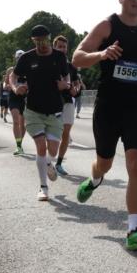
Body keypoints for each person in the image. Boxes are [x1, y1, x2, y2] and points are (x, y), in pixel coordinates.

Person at [72, 0, 137, 251]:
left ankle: (133, 231)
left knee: (135, 164)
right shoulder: (107, 26)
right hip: (109, 106)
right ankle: (95, 179)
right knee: (105, 163)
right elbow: (77, 57)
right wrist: (102, 53)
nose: (135, 1)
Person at [12, 25, 71, 201]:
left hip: (55, 110)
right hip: (33, 110)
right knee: (40, 147)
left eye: (44, 40)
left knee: (52, 150)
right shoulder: (27, 58)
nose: (41, 44)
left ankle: (48, 162)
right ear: (33, 41)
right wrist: (15, 87)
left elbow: (66, 76)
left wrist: (65, 84)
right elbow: (13, 76)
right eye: (37, 41)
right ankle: (43, 187)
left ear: (49, 38)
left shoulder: (59, 56)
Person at [52, 35, 82, 175]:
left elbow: (77, 84)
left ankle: (59, 163)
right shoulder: (49, 64)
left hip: (68, 101)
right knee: (54, 134)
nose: (62, 49)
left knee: (65, 133)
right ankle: (48, 159)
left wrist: (75, 89)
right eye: (60, 46)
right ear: (54, 47)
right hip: (52, 102)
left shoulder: (70, 66)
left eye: (64, 47)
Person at [6, 50, 28, 155]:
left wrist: (25, 87)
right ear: (16, 59)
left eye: (22, 57)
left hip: (24, 98)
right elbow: (5, 84)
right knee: (16, 121)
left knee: (23, 125)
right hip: (14, 97)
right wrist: (11, 86)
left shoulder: (29, 70)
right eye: (18, 58)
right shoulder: (11, 70)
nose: (20, 59)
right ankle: (18, 146)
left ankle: (20, 144)